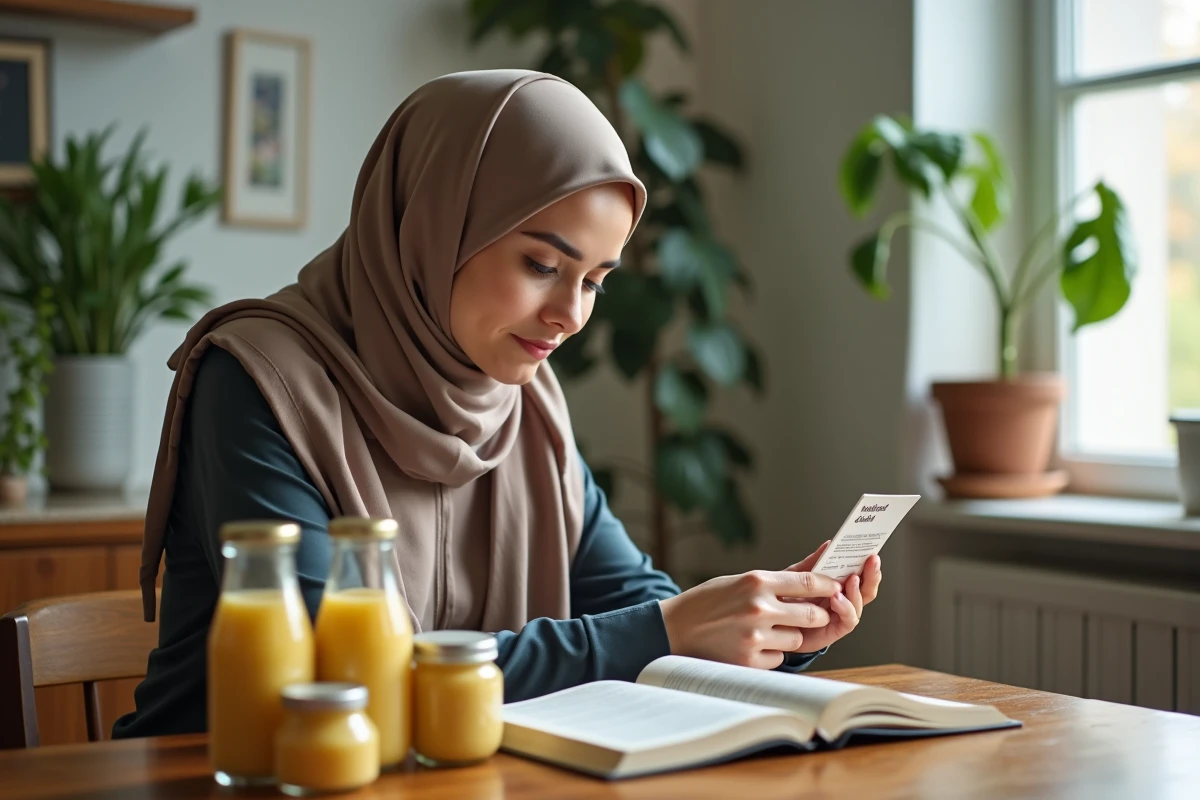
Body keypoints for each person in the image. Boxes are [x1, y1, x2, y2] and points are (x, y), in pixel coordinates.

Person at [112, 69, 882, 739]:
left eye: (595, 282)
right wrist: (668, 631)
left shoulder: (524, 402)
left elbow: (630, 599)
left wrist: (776, 621)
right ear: (433, 222)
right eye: (544, 264)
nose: (572, 316)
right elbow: (339, 678)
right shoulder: (257, 380)